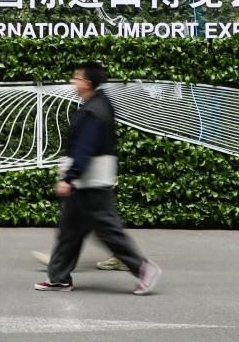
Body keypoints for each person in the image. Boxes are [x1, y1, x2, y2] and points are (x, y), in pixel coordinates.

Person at [34, 62, 162, 294]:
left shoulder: (94, 111)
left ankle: (144, 269)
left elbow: (85, 148)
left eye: (76, 78)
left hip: (91, 184)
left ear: (87, 83)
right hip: (88, 182)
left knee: (108, 232)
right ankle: (59, 278)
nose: (73, 81)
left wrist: (69, 178)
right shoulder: (98, 105)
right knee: (70, 232)